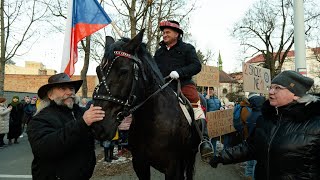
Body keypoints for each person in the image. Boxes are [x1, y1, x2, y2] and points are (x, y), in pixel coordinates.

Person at [209, 70, 320, 179]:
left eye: (278, 88)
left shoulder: (315, 123)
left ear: (296, 94)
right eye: (271, 87)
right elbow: (251, 147)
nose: (271, 92)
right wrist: (221, 157)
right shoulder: (264, 119)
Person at [27, 73, 105, 180]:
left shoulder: (81, 112)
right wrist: (82, 123)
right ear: (50, 95)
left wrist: (115, 122)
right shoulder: (40, 119)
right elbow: (44, 148)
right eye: (62, 88)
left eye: (71, 88)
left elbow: (100, 134)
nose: (70, 92)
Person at [154, 20, 213, 161]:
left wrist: (180, 72)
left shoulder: (188, 48)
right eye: (163, 32)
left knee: (196, 100)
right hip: (162, 86)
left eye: (167, 32)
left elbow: (196, 66)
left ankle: (204, 140)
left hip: (183, 84)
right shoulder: (159, 53)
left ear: (177, 34)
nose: (164, 35)